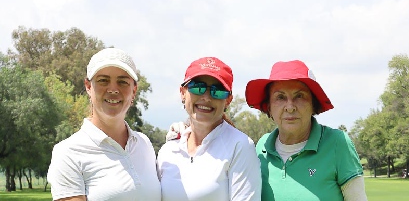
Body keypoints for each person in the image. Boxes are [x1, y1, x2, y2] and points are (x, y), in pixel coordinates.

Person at [47, 48, 161, 201]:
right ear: (88, 87)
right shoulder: (68, 153)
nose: (113, 89)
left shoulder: (144, 143)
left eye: (122, 82)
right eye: (103, 81)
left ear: (134, 90)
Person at [245, 60, 367, 201]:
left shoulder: (338, 143)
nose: (290, 107)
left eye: (299, 96)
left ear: (313, 104)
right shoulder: (262, 146)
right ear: (269, 108)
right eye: (280, 97)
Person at [157, 56, 261, 201]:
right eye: (197, 87)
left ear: (228, 100)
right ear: (183, 93)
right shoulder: (168, 150)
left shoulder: (240, 146)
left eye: (217, 91)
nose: (206, 97)